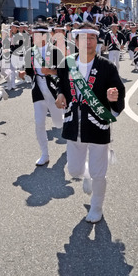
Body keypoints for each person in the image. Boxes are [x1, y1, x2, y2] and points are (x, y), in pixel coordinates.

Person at [55, 22, 125, 223]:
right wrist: (60, 95)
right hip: (73, 124)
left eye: (92, 37)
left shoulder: (107, 66)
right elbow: (61, 85)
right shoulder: (68, 63)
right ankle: (87, 175)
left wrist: (113, 98)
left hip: (97, 125)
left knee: (99, 172)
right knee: (74, 170)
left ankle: (97, 208)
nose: (88, 42)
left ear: (97, 41)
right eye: (83, 38)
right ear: (76, 41)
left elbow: (117, 90)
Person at [19, 24, 64, 166]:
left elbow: (64, 73)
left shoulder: (56, 52)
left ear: (45, 36)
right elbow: (28, 69)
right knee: (39, 123)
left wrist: (50, 72)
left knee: (58, 123)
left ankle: (73, 138)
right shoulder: (29, 52)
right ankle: (44, 154)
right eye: (33, 34)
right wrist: (24, 73)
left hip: (53, 90)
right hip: (38, 89)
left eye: (36, 34)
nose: (33, 37)